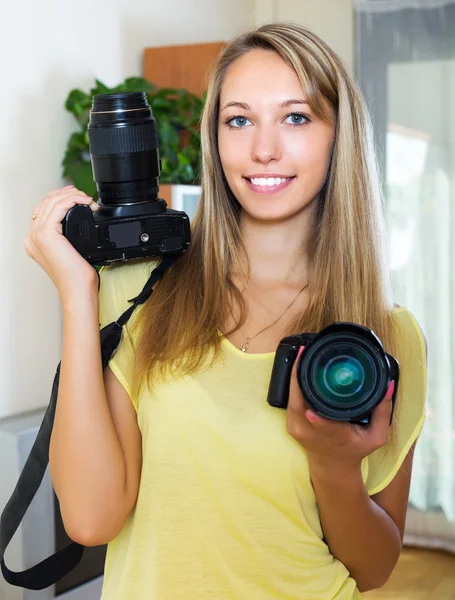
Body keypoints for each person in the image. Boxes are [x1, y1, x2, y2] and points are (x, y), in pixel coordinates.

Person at [24, 21, 427, 600]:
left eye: (296, 117)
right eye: (239, 120)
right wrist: (76, 293)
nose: (264, 148)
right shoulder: (141, 292)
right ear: (214, 140)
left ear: (339, 135)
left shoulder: (388, 333)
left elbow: (373, 569)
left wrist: (334, 467)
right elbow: (91, 519)